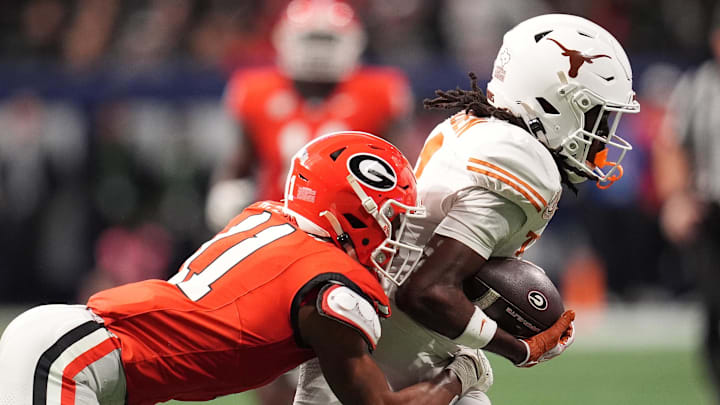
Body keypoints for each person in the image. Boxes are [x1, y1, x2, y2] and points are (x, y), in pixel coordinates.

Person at [293, 13, 639, 405]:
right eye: (597, 114)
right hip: (376, 363)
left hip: (381, 341)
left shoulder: (472, 125)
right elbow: (426, 291)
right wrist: (520, 347)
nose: (604, 134)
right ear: (556, 100)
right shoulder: (523, 163)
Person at [0, 132, 488, 405]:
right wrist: (460, 375)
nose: (394, 235)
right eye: (391, 219)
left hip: (85, 356)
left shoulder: (267, 215)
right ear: (355, 212)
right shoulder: (332, 290)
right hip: (74, 361)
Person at [206, 0, 414, 231]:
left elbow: (401, 172)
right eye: (310, 40)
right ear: (283, 40)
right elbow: (237, 167)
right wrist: (226, 196)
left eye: (328, 41)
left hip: (352, 230)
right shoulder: (255, 92)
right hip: (275, 225)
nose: (318, 51)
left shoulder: (378, 93)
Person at [654, 7, 720, 402]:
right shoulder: (698, 87)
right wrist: (677, 199)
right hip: (714, 211)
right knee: (716, 308)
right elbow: (672, 146)